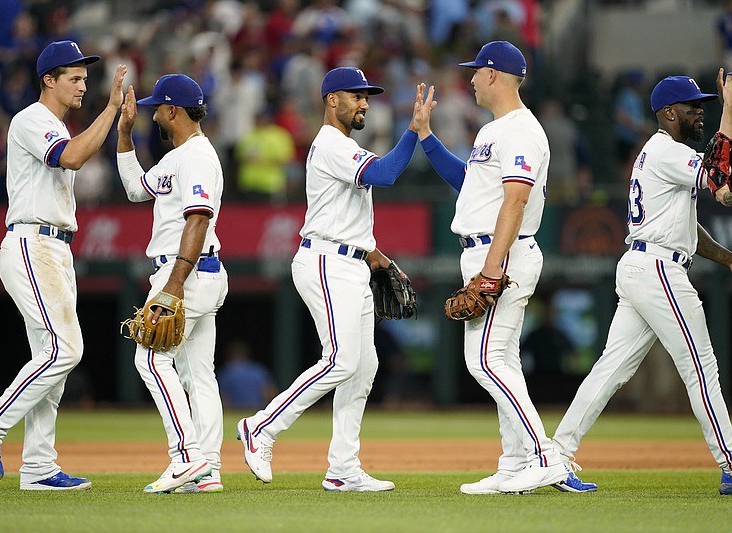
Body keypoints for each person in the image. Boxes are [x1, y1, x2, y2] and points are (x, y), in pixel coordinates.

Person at [411, 41, 592, 494]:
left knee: (484, 360)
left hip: (502, 254)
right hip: (484, 250)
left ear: (493, 75)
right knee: (502, 359)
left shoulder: (522, 130)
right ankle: (514, 464)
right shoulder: (493, 131)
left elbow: (516, 199)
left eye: (475, 71)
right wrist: (427, 138)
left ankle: (544, 456)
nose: (470, 79)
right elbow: (469, 185)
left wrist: (491, 269)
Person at [236, 66, 426, 492]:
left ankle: (343, 468)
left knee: (364, 366)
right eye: (355, 95)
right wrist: (413, 130)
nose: (363, 103)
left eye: (366, 97)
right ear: (331, 100)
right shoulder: (331, 143)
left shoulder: (345, 145)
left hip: (350, 260)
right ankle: (260, 428)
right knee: (340, 359)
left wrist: (371, 252)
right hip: (325, 261)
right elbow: (386, 174)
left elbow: (348, 211)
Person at [553, 72, 732, 496]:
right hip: (658, 271)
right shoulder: (667, 151)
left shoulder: (662, 152)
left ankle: (555, 456)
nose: (700, 111)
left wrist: (727, 259)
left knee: (610, 370)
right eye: (693, 105)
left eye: (704, 104)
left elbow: (685, 228)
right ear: (669, 113)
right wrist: (731, 109)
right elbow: (720, 182)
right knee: (701, 368)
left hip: (645, 264)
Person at [0, 40, 126, 490]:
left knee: (50, 362)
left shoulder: (53, 123)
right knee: (64, 350)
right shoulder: (33, 119)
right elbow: (71, 156)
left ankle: (37, 466)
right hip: (32, 242)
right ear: (48, 80)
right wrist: (111, 109)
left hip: (54, 247)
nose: (82, 84)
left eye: (85, 78)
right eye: (74, 77)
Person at [115, 73, 228, 494]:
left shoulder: (197, 155)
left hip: (186, 272)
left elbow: (199, 218)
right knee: (198, 373)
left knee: (149, 359)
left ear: (173, 110)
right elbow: (133, 189)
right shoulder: (176, 157)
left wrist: (174, 285)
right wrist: (124, 134)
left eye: (156, 109)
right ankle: (208, 470)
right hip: (197, 271)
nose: (153, 116)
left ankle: (186, 458)